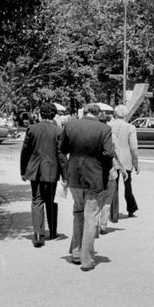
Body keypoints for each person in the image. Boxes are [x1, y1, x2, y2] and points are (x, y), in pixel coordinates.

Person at [60, 103, 114, 271]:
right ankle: (87, 259)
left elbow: (63, 148)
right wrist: (104, 168)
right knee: (91, 217)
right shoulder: (103, 129)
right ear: (98, 114)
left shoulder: (70, 125)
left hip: (74, 174)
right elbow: (108, 153)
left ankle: (76, 253)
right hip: (94, 174)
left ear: (84, 112)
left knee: (78, 212)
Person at [20, 102, 67, 247]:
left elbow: (25, 151)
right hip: (52, 170)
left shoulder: (32, 129)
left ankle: (38, 234)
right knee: (50, 199)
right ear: (54, 114)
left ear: (40, 114)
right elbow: (61, 155)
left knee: (37, 200)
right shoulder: (58, 131)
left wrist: (23, 171)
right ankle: (52, 231)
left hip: (35, 170)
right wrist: (65, 174)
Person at [107, 104, 139, 222]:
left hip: (112, 159)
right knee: (128, 186)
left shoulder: (108, 126)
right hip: (126, 159)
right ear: (125, 115)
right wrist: (136, 163)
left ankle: (113, 213)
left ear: (115, 114)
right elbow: (133, 147)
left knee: (113, 186)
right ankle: (131, 208)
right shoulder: (130, 127)